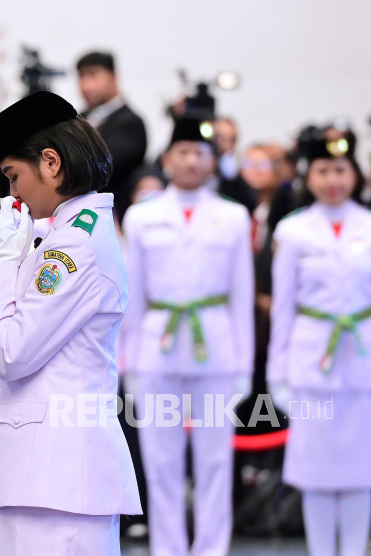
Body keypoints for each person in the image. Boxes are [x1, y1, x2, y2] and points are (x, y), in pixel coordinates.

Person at [0, 91, 140, 555]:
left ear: (50, 163)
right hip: (45, 476)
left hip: (60, 476)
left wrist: (4, 262)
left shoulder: (74, 246)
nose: (12, 193)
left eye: (13, 175)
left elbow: (12, 351)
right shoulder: (66, 234)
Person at [267, 127, 371, 556]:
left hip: (365, 361)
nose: (333, 180)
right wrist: (278, 373)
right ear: (310, 176)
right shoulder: (293, 231)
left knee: (360, 471)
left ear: (356, 174)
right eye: (324, 170)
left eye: (341, 170)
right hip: (312, 361)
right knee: (316, 471)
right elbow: (284, 309)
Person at [122, 116, 254, 556]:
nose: (191, 160)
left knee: (216, 460)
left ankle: (212, 549)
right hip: (157, 348)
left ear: (213, 160)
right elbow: (133, 297)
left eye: (200, 153)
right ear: (166, 159)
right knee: (161, 463)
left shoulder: (234, 217)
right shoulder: (141, 218)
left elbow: (241, 298)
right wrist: (130, 364)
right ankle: (169, 549)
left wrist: (243, 367)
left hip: (216, 347)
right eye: (182, 152)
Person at [76, 51, 147, 224]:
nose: (86, 85)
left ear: (114, 78)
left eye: (93, 75)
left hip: (115, 217)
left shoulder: (131, 122)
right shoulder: (77, 118)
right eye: (81, 77)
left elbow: (105, 166)